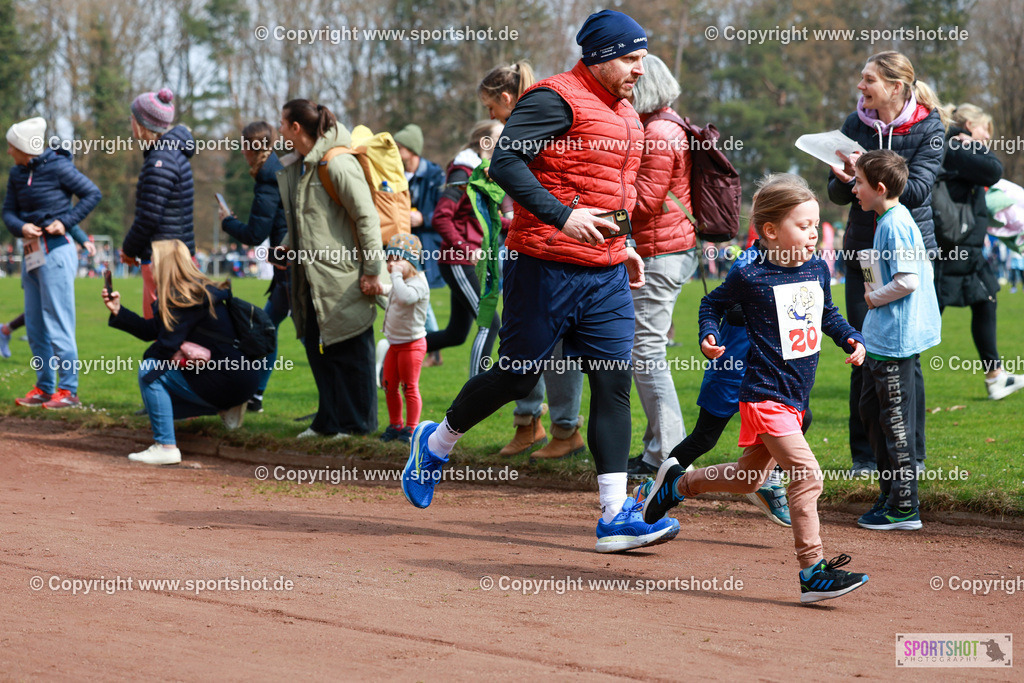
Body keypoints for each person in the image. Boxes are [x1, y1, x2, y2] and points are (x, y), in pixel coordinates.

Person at [402, 9, 680, 553]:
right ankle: (435, 443)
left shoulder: (627, 114)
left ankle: (614, 514)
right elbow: (504, 164)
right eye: (629, 58)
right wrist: (561, 215)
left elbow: (613, 194)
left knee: (612, 381)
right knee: (515, 376)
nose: (638, 70)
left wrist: (623, 247)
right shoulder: (553, 97)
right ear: (599, 56)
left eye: (642, 59)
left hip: (603, 274)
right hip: (543, 265)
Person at [642, 174, 870, 603]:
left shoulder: (818, 268)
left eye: (815, 225)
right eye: (802, 226)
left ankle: (677, 486)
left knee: (748, 479)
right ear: (770, 231)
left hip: (795, 398)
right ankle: (813, 572)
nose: (813, 234)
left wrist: (850, 337)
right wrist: (709, 334)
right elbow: (712, 303)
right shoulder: (751, 277)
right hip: (764, 395)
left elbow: (829, 315)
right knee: (806, 474)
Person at [828, 51, 945, 475]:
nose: (861, 87)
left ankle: (911, 458)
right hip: (863, 253)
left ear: (896, 87)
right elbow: (837, 193)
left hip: (911, 253)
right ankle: (864, 457)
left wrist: (867, 170)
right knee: (861, 351)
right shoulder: (854, 123)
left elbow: (917, 191)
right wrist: (846, 180)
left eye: (869, 79)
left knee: (905, 358)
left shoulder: (929, 125)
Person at [481, 61, 587, 460]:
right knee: (522, 340)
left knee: (556, 345)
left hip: (550, 247)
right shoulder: (521, 127)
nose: (490, 114)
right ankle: (531, 424)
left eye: (492, 105)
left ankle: (564, 430)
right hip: (528, 244)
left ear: (507, 98)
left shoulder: (542, 120)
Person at [276, 99, 383, 438]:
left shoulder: (337, 163)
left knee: (351, 349)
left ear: (296, 128)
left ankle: (357, 427)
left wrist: (372, 270)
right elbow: (310, 217)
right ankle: (328, 422)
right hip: (311, 276)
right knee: (317, 346)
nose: (279, 129)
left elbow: (365, 216)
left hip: (343, 276)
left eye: (282, 123)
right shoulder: (305, 165)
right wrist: (287, 243)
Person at [103, 240, 258, 465]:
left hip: (228, 379)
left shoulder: (182, 299)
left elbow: (162, 349)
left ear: (165, 265)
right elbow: (153, 332)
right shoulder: (194, 291)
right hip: (240, 377)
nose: (149, 266)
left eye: (153, 261)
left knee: (150, 372)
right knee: (154, 403)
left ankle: (165, 447)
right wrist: (118, 311)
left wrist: (174, 349)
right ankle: (227, 406)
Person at [852, 150, 941, 530]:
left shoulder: (896, 223)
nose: (853, 188)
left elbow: (908, 280)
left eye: (858, 182)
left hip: (895, 340)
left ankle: (905, 506)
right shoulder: (886, 218)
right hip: (881, 337)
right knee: (871, 414)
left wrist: (872, 296)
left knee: (895, 424)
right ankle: (890, 493)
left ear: (880, 188)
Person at [625, 54, 699, 476]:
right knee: (646, 350)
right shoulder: (671, 125)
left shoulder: (657, 132)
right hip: (670, 249)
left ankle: (668, 454)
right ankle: (659, 450)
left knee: (647, 351)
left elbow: (646, 203)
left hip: (659, 251)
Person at [3, 116, 102, 408]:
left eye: (12, 146)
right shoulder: (16, 174)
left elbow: (91, 193)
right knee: (35, 325)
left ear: (24, 146)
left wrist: (66, 222)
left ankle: (68, 391)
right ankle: (45, 387)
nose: (9, 151)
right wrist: (20, 227)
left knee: (59, 323)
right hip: (30, 253)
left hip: (56, 252)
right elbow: (8, 212)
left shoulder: (58, 167)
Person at [934, 104, 1024, 399]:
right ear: (971, 125)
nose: (989, 137)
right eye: (986, 130)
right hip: (953, 246)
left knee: (986, 298)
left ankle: (995, 375)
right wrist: (972, 142)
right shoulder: (955, 145)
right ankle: (892, 372)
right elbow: (993, 171)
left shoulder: (954, 146)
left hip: (965, 246)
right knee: (931, 311)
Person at [219, 121, 290, 413]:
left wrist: (227, 220)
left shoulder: (268, 177)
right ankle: (255, 395)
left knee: (268, 328)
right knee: (267, 327)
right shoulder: (277, 168)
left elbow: (254, 235)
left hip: (290, 269)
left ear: (249, 148)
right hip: (288, 267)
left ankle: (254, 393)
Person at [425, 120, 503, 377]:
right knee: (489, 324)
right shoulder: (462, 174)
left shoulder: (482, 173)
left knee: (456, 334)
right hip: (457, 260)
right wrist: (464, 248)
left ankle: (399, 348)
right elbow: (441, 217)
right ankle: (474, 393)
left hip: (471, 261)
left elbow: (480, 217)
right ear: (485, 142)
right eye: (501, 136)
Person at [121, 89, 196, 320]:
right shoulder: (171, 154)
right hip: (177, 256)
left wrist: (128, 249)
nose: (130, 123)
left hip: (163, 261)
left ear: (142, 123)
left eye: (132, 118)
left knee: (163, 336)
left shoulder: (159, 160)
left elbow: (149, 217)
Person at [393, 123, 446, 367]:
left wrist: (424, 216)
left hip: (425, 244)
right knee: (416, 296)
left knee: (419, 294)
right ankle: (428, 350)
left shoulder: (435, 175)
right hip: (405, 246)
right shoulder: (395, 174)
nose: (396, 150)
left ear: (412, 149)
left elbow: (445, 210)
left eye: (400, 146)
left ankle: (431, 351)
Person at [379, 234, 431, 444]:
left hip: (412, 345)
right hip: (395, 344)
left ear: (411, 261)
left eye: (397, 259)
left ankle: (411, 428)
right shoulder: (402, 282)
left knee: (409, 386)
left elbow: (405, 296)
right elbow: (395, 292)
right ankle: (395, 424)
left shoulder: (418, 283)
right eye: (389, 259)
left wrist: (395, 276)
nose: (392, 264)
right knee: (389, 384)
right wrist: (381, 288)